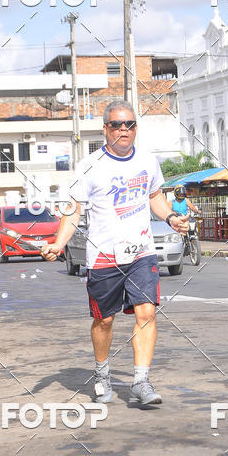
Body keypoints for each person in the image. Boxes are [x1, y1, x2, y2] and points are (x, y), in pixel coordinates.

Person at [42, 100, 188, 407]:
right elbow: (73, 211)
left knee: (146, 312)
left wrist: (171, 219)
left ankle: (141, 381)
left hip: (141, 252)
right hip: (104, 256)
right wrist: (58, 243)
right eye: (117, 125)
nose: (124, 130)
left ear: (136, 128)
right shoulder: (89, 166)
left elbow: (155, 197)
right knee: (104, 321)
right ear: (105, 128)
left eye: (130, 124)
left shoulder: (147, 161)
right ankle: (102, 373)